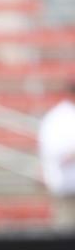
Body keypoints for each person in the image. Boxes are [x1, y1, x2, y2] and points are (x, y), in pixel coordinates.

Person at [38, 80, 75, 229]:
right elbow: (53, 152)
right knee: (65, 229)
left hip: (64, 181)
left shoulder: (57, 117)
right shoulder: (58, 118)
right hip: (65, 183)